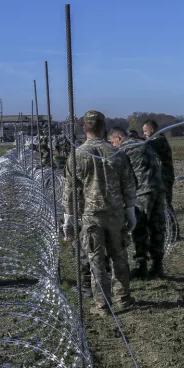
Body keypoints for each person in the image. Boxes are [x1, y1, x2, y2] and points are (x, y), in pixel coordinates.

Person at [61, 110, 138, 315]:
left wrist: (68, 219)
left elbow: (70, 191)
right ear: (103, 127)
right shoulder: (117, 153)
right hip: (116, 214)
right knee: (119, 257)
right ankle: (123, 298)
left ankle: (102, 304)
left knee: (96, 260)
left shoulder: (77, 155)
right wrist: (130, 212)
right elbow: (129, 185)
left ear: (85, 128)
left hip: (91, 216)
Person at [108, 126, 168, 279]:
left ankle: (141, 266)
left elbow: (123, 176)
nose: (113, 146)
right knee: (157, 228)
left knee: (140, 228)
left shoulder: (124, 149)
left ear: (119, 138)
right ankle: (157, 266)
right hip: (159, 188)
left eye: (112, 142)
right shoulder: (142, 143)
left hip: (142, 191)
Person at [141, 119, 175, 207]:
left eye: (145, 131)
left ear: (152, 130)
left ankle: (170, 220)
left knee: (165, 204)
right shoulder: (155, 139)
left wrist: (135, 140)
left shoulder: (160, 140)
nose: (144, 134)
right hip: (160, 177)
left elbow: (148, 145)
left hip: (165, 176)